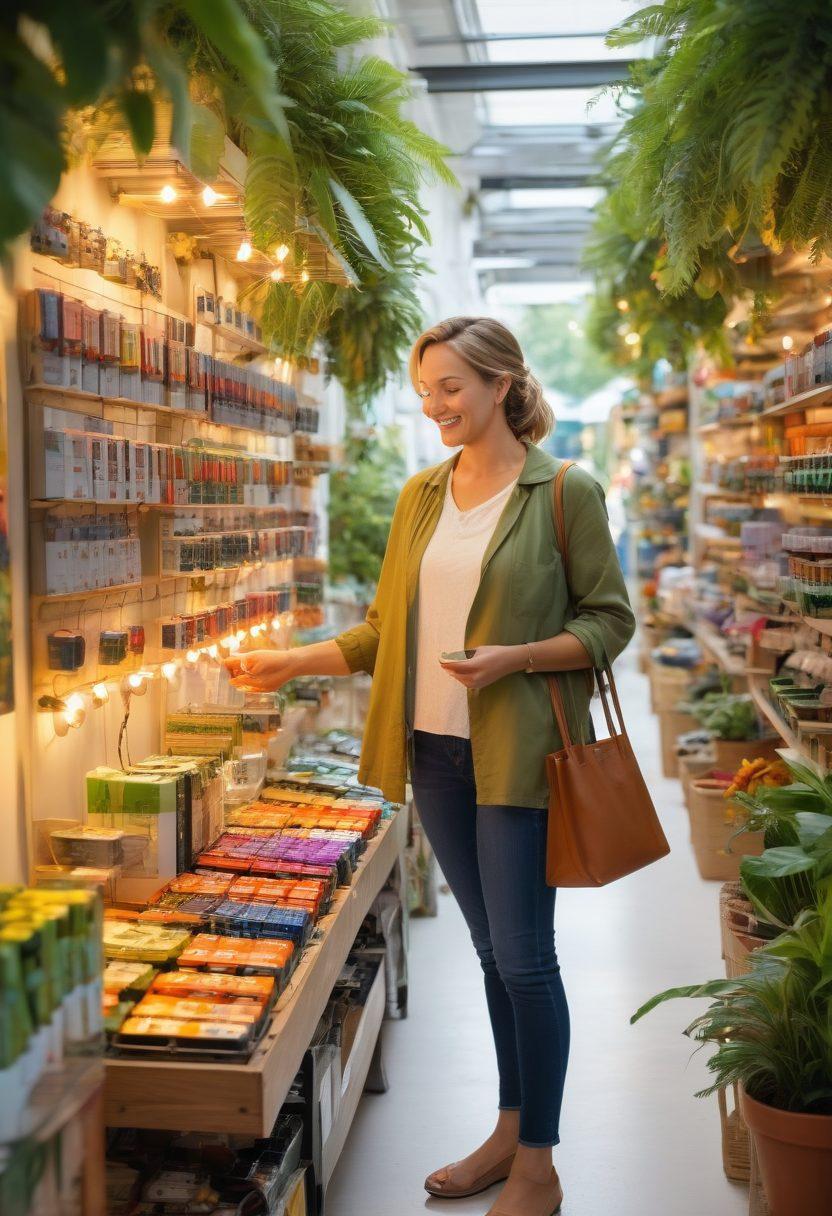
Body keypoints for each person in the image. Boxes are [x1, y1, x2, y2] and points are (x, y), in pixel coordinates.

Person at [225, 316, 635, 1216]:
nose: (436, 405)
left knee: (527, 960)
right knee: (491, 954)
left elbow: (610, 623)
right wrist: (293, 661)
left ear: (499, 385)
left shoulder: (563, 491)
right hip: (437, 754)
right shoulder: (420, 496)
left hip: (521, 755)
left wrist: (515, 657)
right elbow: (384, 632)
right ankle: (507, 1127)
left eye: (451, 386)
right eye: (425, 391)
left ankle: (540, 1164)